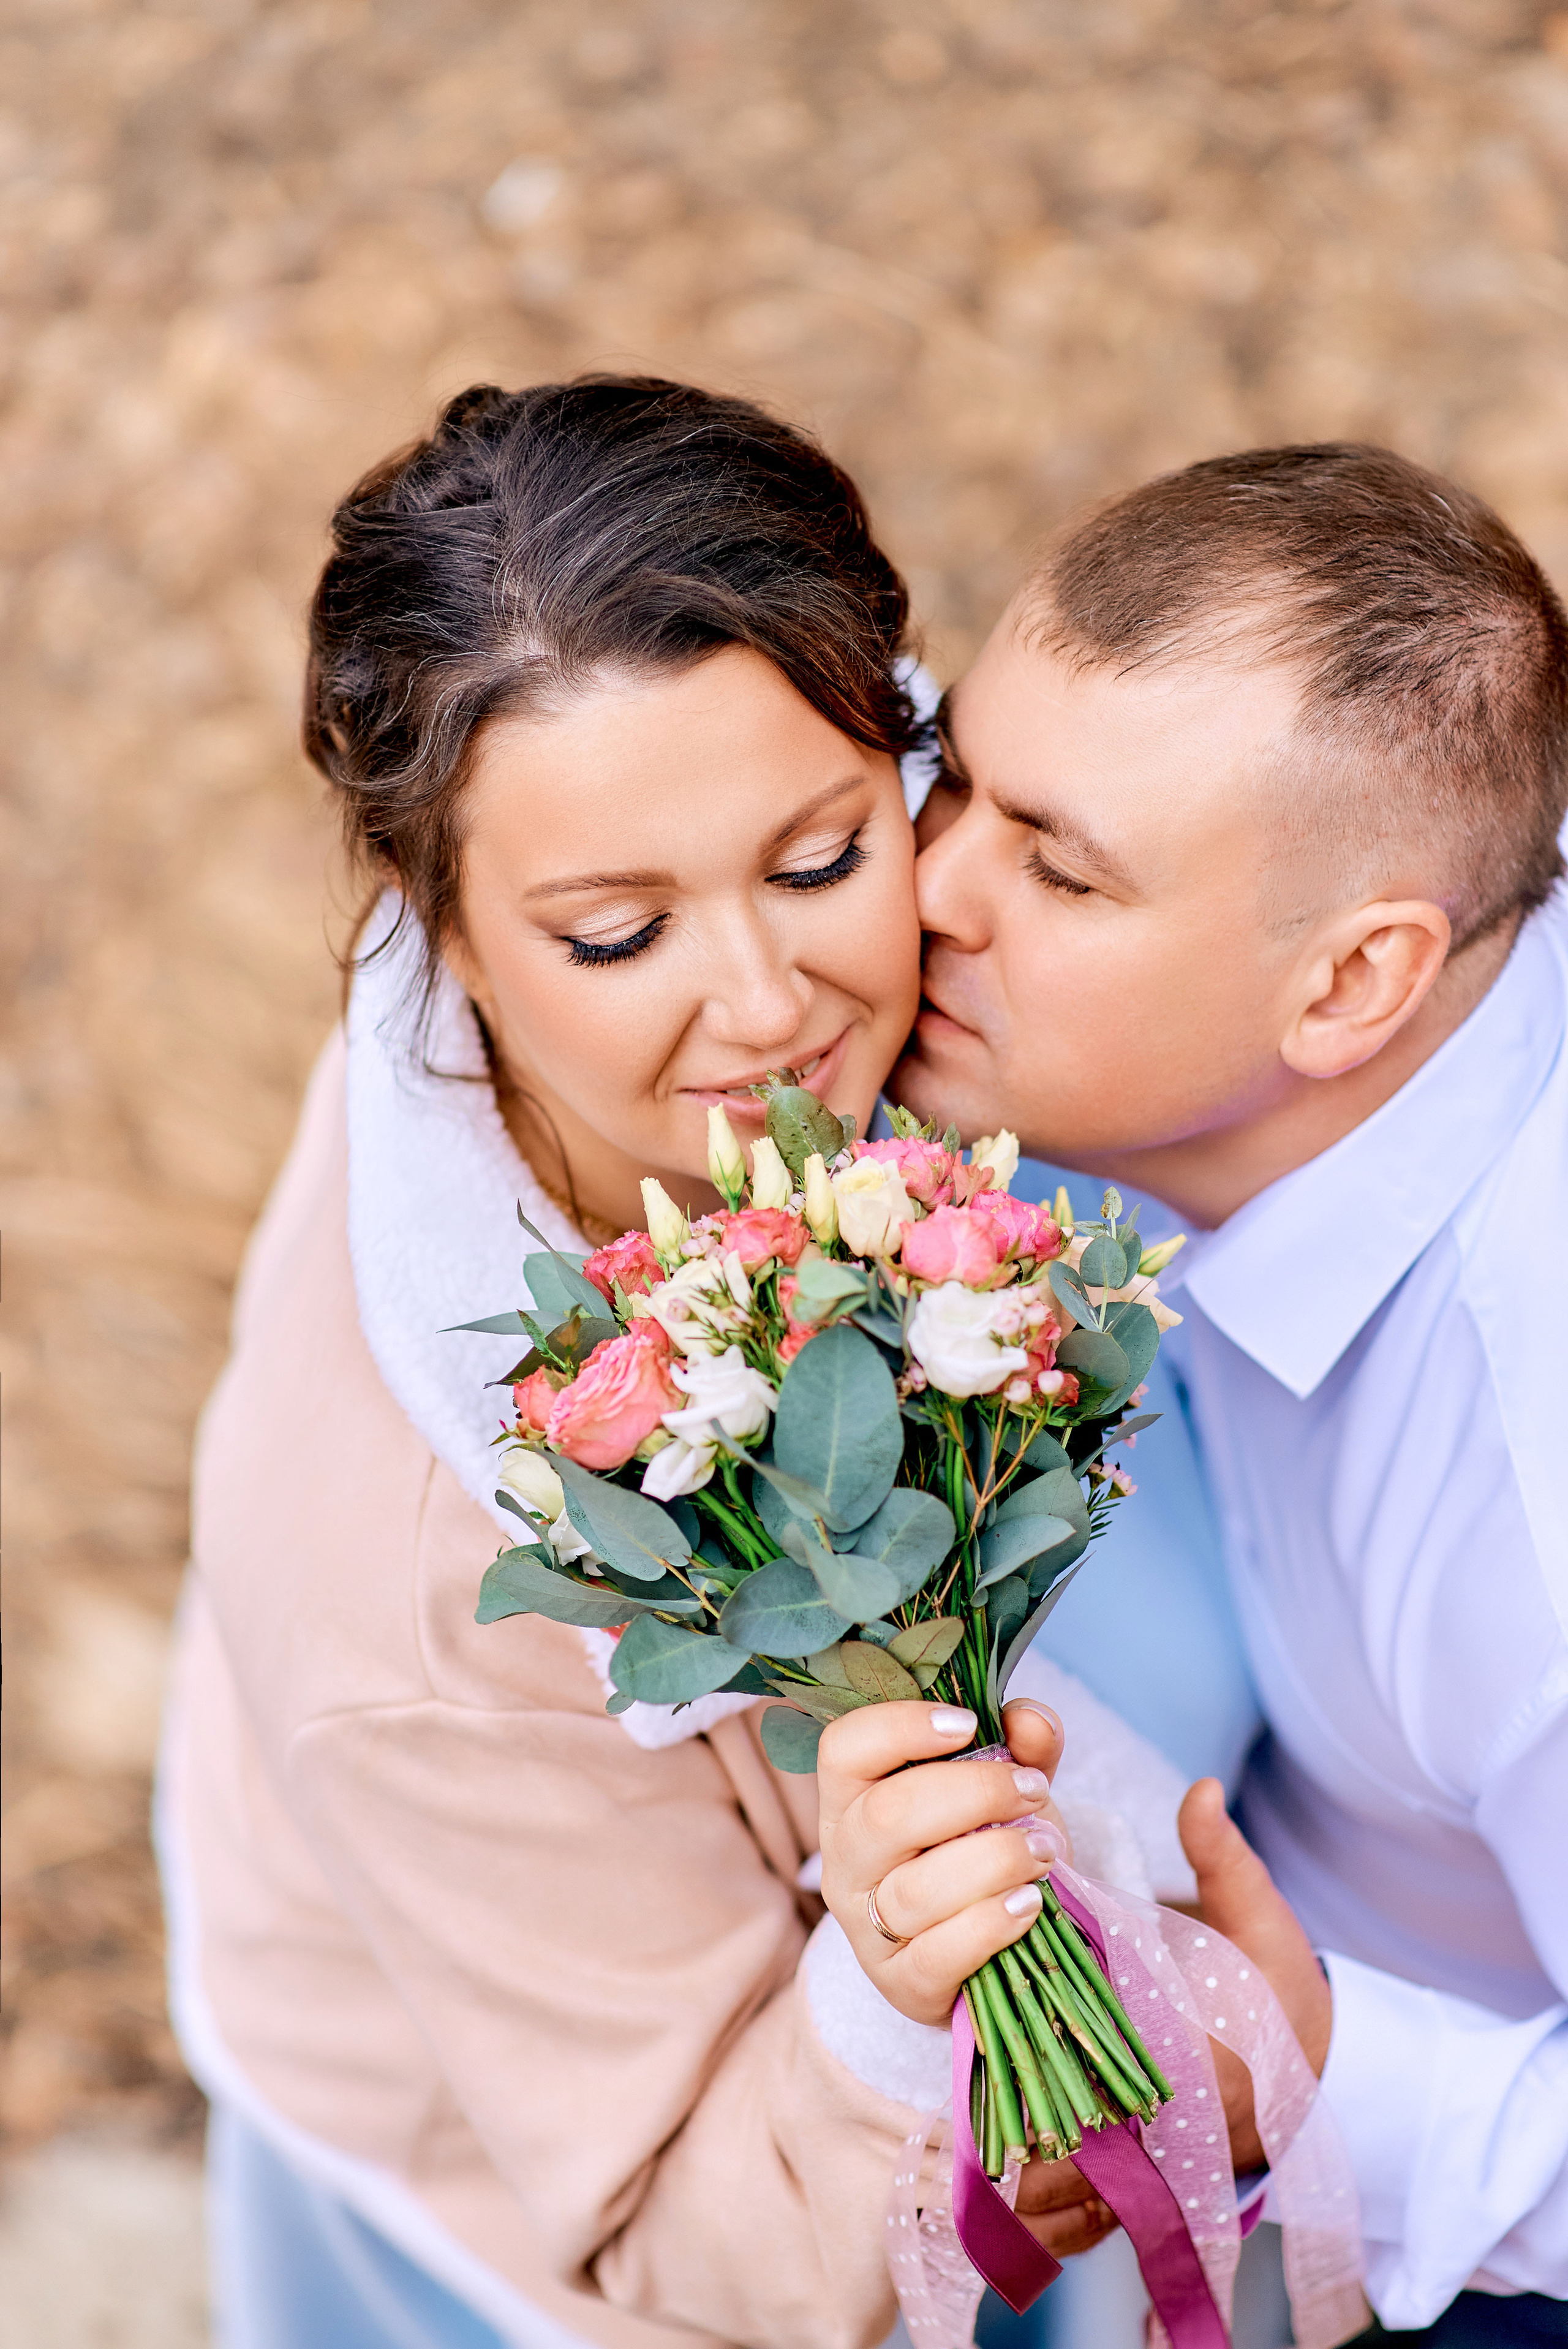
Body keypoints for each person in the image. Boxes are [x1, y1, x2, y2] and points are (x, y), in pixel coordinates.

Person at [157, 377, 1256, 2349]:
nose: (770, 1010)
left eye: (823, 854)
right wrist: (888, 1994)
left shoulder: (941, 936)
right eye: (615, 932)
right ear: (443, 939)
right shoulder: (408, 1590)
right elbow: (688, 2237)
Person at [893, 442, 1568, 2344]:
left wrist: (1318, 2062)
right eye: (964, 783)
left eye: (1059, 868)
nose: (930, 886)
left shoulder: (1532, 1510)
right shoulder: (1261, 1039)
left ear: (1357, 982)